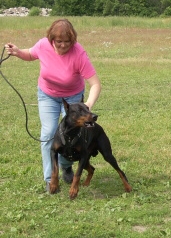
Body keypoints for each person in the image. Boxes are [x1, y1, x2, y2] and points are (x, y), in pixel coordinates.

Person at [5, 19, 101, 193]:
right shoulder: (43, 45)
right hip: (47, 95)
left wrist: (87, 104)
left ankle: (65, 165)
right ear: (51, 39)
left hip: (72, 99)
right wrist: (18, 52)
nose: (63, 45)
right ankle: (50, 179)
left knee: (72, 136)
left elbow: (95, 84)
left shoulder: (79, 53)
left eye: (67, 42)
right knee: (49, 133)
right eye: (59, 41)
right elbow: (30, 54)